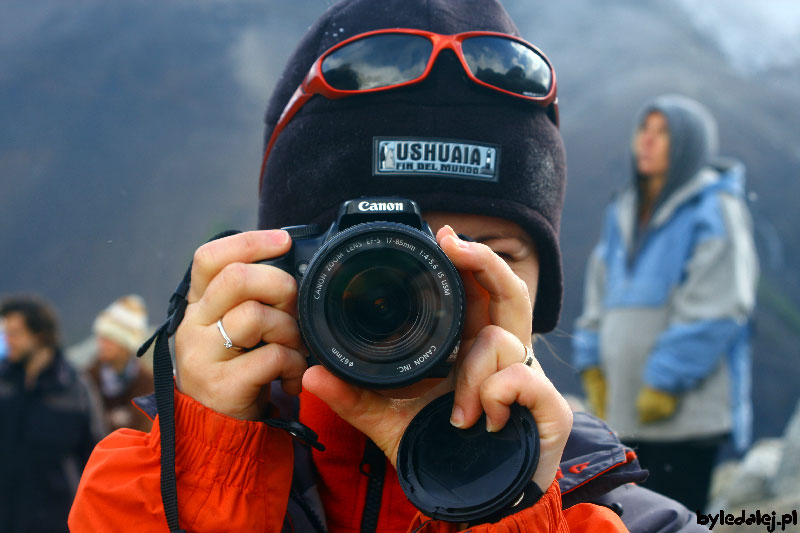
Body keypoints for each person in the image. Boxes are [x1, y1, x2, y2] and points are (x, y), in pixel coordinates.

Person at [70, 2, 708, 531]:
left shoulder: (628, 519)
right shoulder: (148, 498)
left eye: (481, 260)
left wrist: (502, 502)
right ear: (274, 265)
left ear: (534, 295)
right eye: (377, 256)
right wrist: (204, 477)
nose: (426, 293)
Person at [572, 94, 759, 512]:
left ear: (688, 144)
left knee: (677, 516)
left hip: (684, 415)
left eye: (663, 133)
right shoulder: (623, 209)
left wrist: (664, 380)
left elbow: (720, 304)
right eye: (645, 130)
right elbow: (599, 292)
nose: (648, 141)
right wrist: (592, 366)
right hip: (624, 409)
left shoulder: (715, 208)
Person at [0, 295, 105, 533]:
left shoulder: (74, 389)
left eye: (15, 333)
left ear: (39, 336)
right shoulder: (3, 382)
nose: (8, 341)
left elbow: (94, 457)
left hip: (56, 521)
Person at [87, 294, 154, 433]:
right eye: (102, 338)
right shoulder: (88, 378)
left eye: (110, 338)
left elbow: (145, 429)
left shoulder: (147, 383)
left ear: (125, 344)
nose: (103, 344)